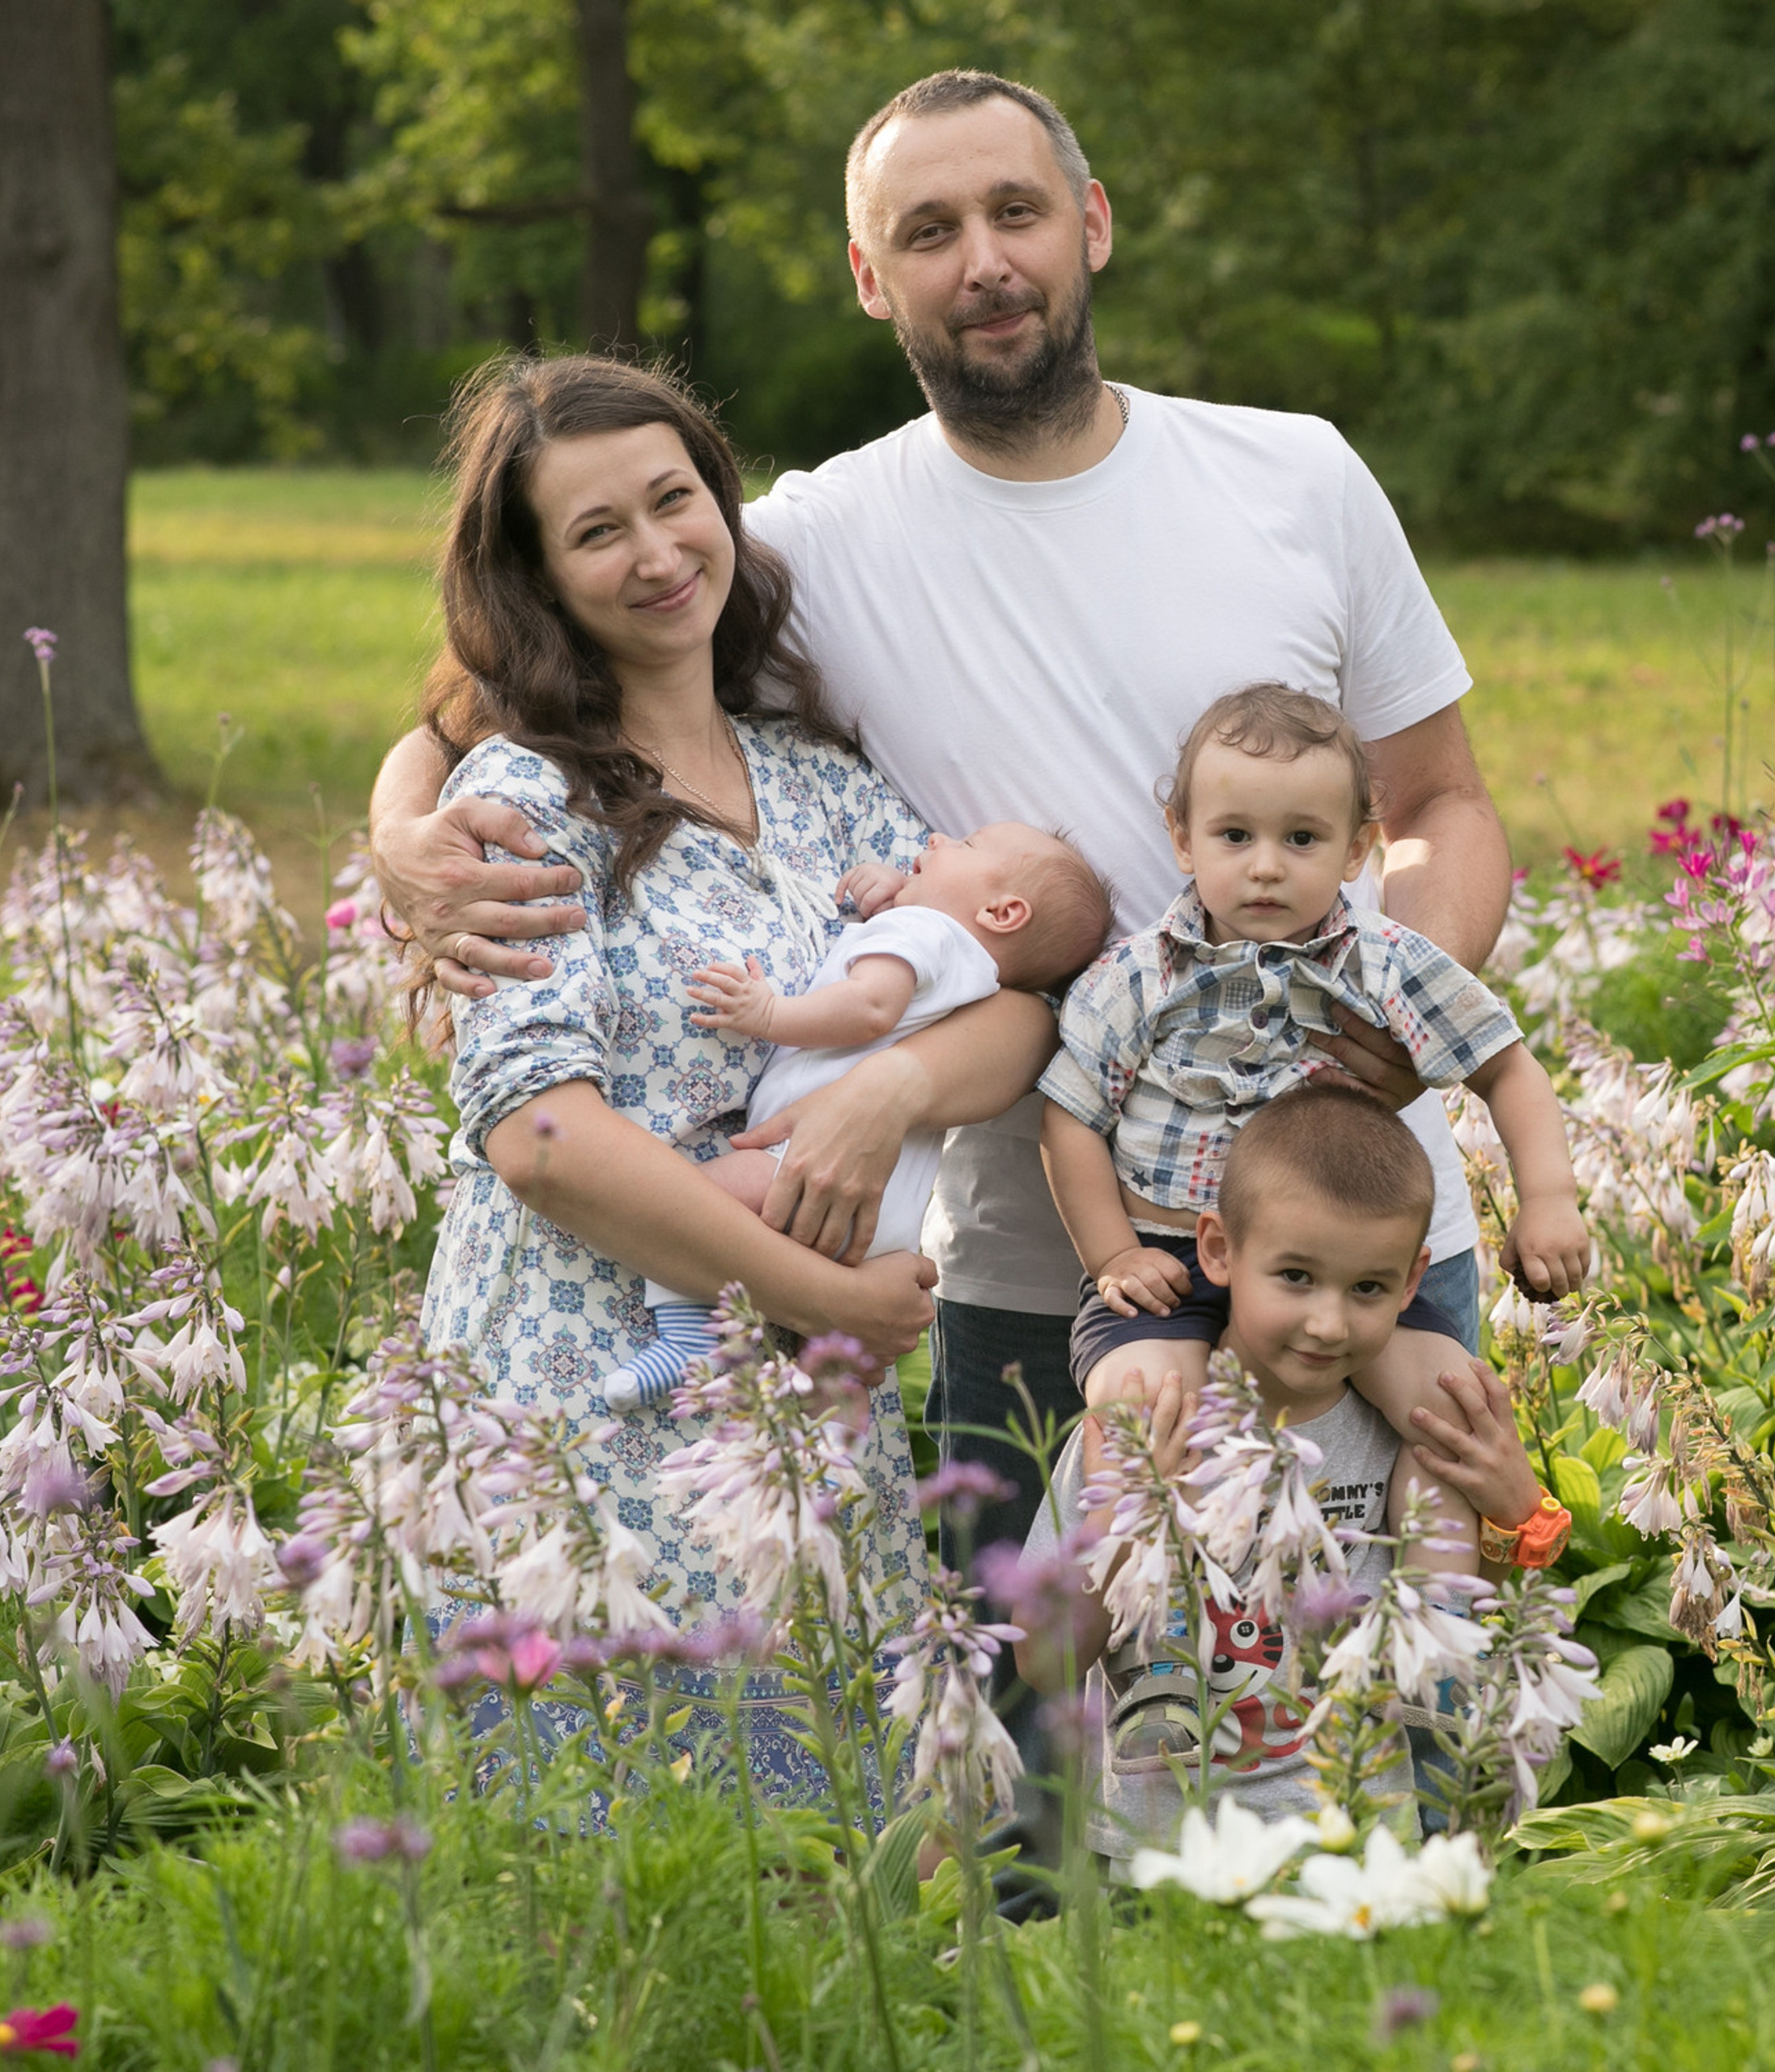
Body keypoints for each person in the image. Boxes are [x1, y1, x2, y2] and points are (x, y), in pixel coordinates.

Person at [367, 70, 1517, 1590]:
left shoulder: (1295, 473)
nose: (983, 259)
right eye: (928, 229)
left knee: (1399, 1684)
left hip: (1358, 1240)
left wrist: (1378, 1024)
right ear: (869, 276)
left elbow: (1441, 802)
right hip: (1046, 1268)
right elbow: (494, 684)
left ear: (1090, 225)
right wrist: (399, 835)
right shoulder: (808, 542)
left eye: (1016, 211)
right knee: (1041, 1755)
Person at [406, 354, 1053, 1775]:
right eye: (596, 532)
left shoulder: (823, 776)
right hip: (587, 1413)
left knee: (824, 1893)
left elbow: (1012, 1010)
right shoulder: (525, 797)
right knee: (606, 1890)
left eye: (673, 498)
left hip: (814, 1430)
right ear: (539, 581)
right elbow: (541, 1139)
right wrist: (823, 1298)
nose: (655, 554)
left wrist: (892, 1090)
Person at [1040, 684, 1590, 1573]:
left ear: (1357, 848)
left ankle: (1431, 1635)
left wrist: (1550, 1200)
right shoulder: (1135, 978)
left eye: (1301, 838)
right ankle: (1161, 1626)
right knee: (1145, 1411)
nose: (1265, 866)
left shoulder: (1386, 964)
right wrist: (1109, 1257)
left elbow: (1507, 1067)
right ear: (1182, 836)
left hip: (1333, 1275)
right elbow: (1068, 1118)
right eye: (1234, 836)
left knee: (1448, 1406)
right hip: (1167, 1270)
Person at [1017, 1085, 1553, 1861]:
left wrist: (1512, 1512)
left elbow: (1467, 1628)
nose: (1328, 1323)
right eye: (1295, 1276)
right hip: (1161, 1861)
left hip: (1362, 1847)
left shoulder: (1409, 1441)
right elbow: (1044, 1662)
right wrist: (1129, 1519)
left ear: (1412, 1284)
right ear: (1218, 1251)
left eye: (1368, 1287)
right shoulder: (1139, 1429)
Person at [605, 822, 1112, 1409]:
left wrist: (769, 1012)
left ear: (1003, 911)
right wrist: (899, 889)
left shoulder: (924, 930)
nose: (941, 840)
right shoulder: (965, 965)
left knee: (690, 1198)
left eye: (966, 847)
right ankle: (834, 1418)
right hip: (879, 1215)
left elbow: (871, 1007)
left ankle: (692, 1338)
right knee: (820, 1391)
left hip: (803, 1166)